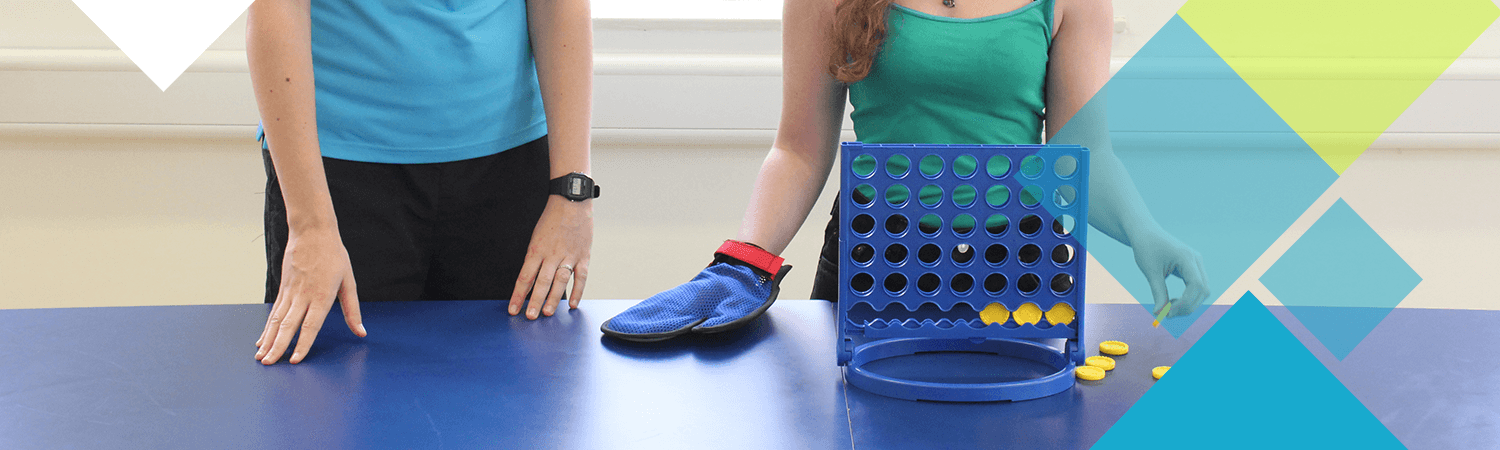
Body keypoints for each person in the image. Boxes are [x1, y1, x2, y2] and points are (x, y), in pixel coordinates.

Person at [601, 0, 1208, 341]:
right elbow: (799, 149)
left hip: (1016, 265)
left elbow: (1084, 155)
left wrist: (1144, 231)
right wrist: (745, 259)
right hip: (876, 253)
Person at [247, 0, 596, 365]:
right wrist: (309, 225)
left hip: (509, 171)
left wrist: (573, 191)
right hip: (339, 176)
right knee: (330, 399)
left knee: (513, 401)